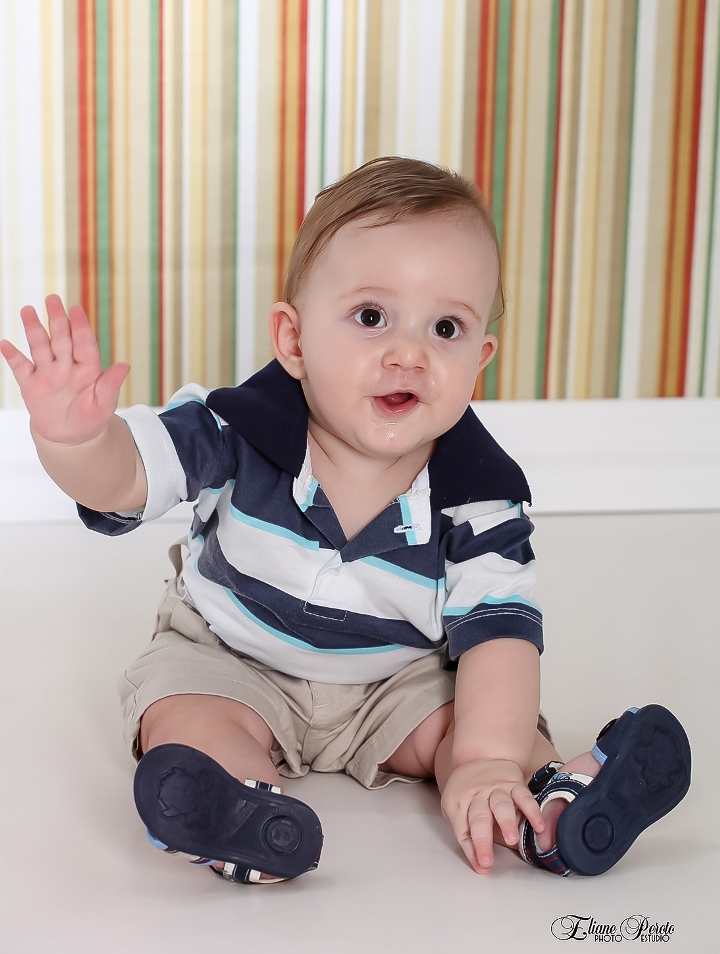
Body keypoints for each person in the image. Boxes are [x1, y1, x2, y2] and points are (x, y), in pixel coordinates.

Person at [0, 156, 690, 885]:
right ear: (294, 340)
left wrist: (484, 758)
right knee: (187, 711)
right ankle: (237, 810)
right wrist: (77, 441)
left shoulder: (480, 496)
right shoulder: (238, 430)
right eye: (371, 317)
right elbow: (127, 478)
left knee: (483, 726)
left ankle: (555, 810)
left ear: (480, 358)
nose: (409, 354)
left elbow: (501, 637)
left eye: (446, 327)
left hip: (396, 682)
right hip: (234, 656)